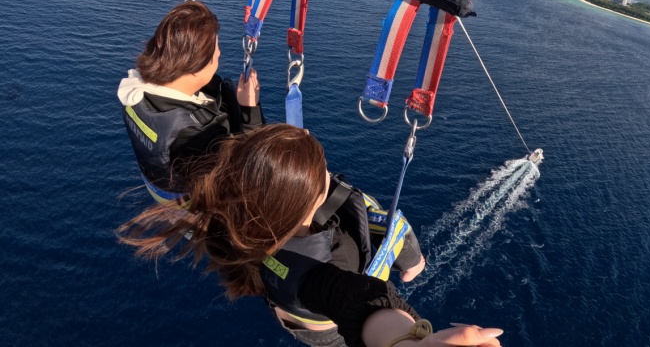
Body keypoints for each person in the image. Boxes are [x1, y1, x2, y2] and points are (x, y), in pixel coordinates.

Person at [118, 124, 503, 347]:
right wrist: (408, 342)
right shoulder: (319, 269)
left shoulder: (245, 217)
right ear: (309, 201)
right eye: (322, 169)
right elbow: (353, 300)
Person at [118, 1, 264, 199]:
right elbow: (250, 172)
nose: (219, 53)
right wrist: (250, 110)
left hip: (161, 178)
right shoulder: (196, 136)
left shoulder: (133, 89)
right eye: (215, 53)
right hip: (193, 203)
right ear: (195, 68)